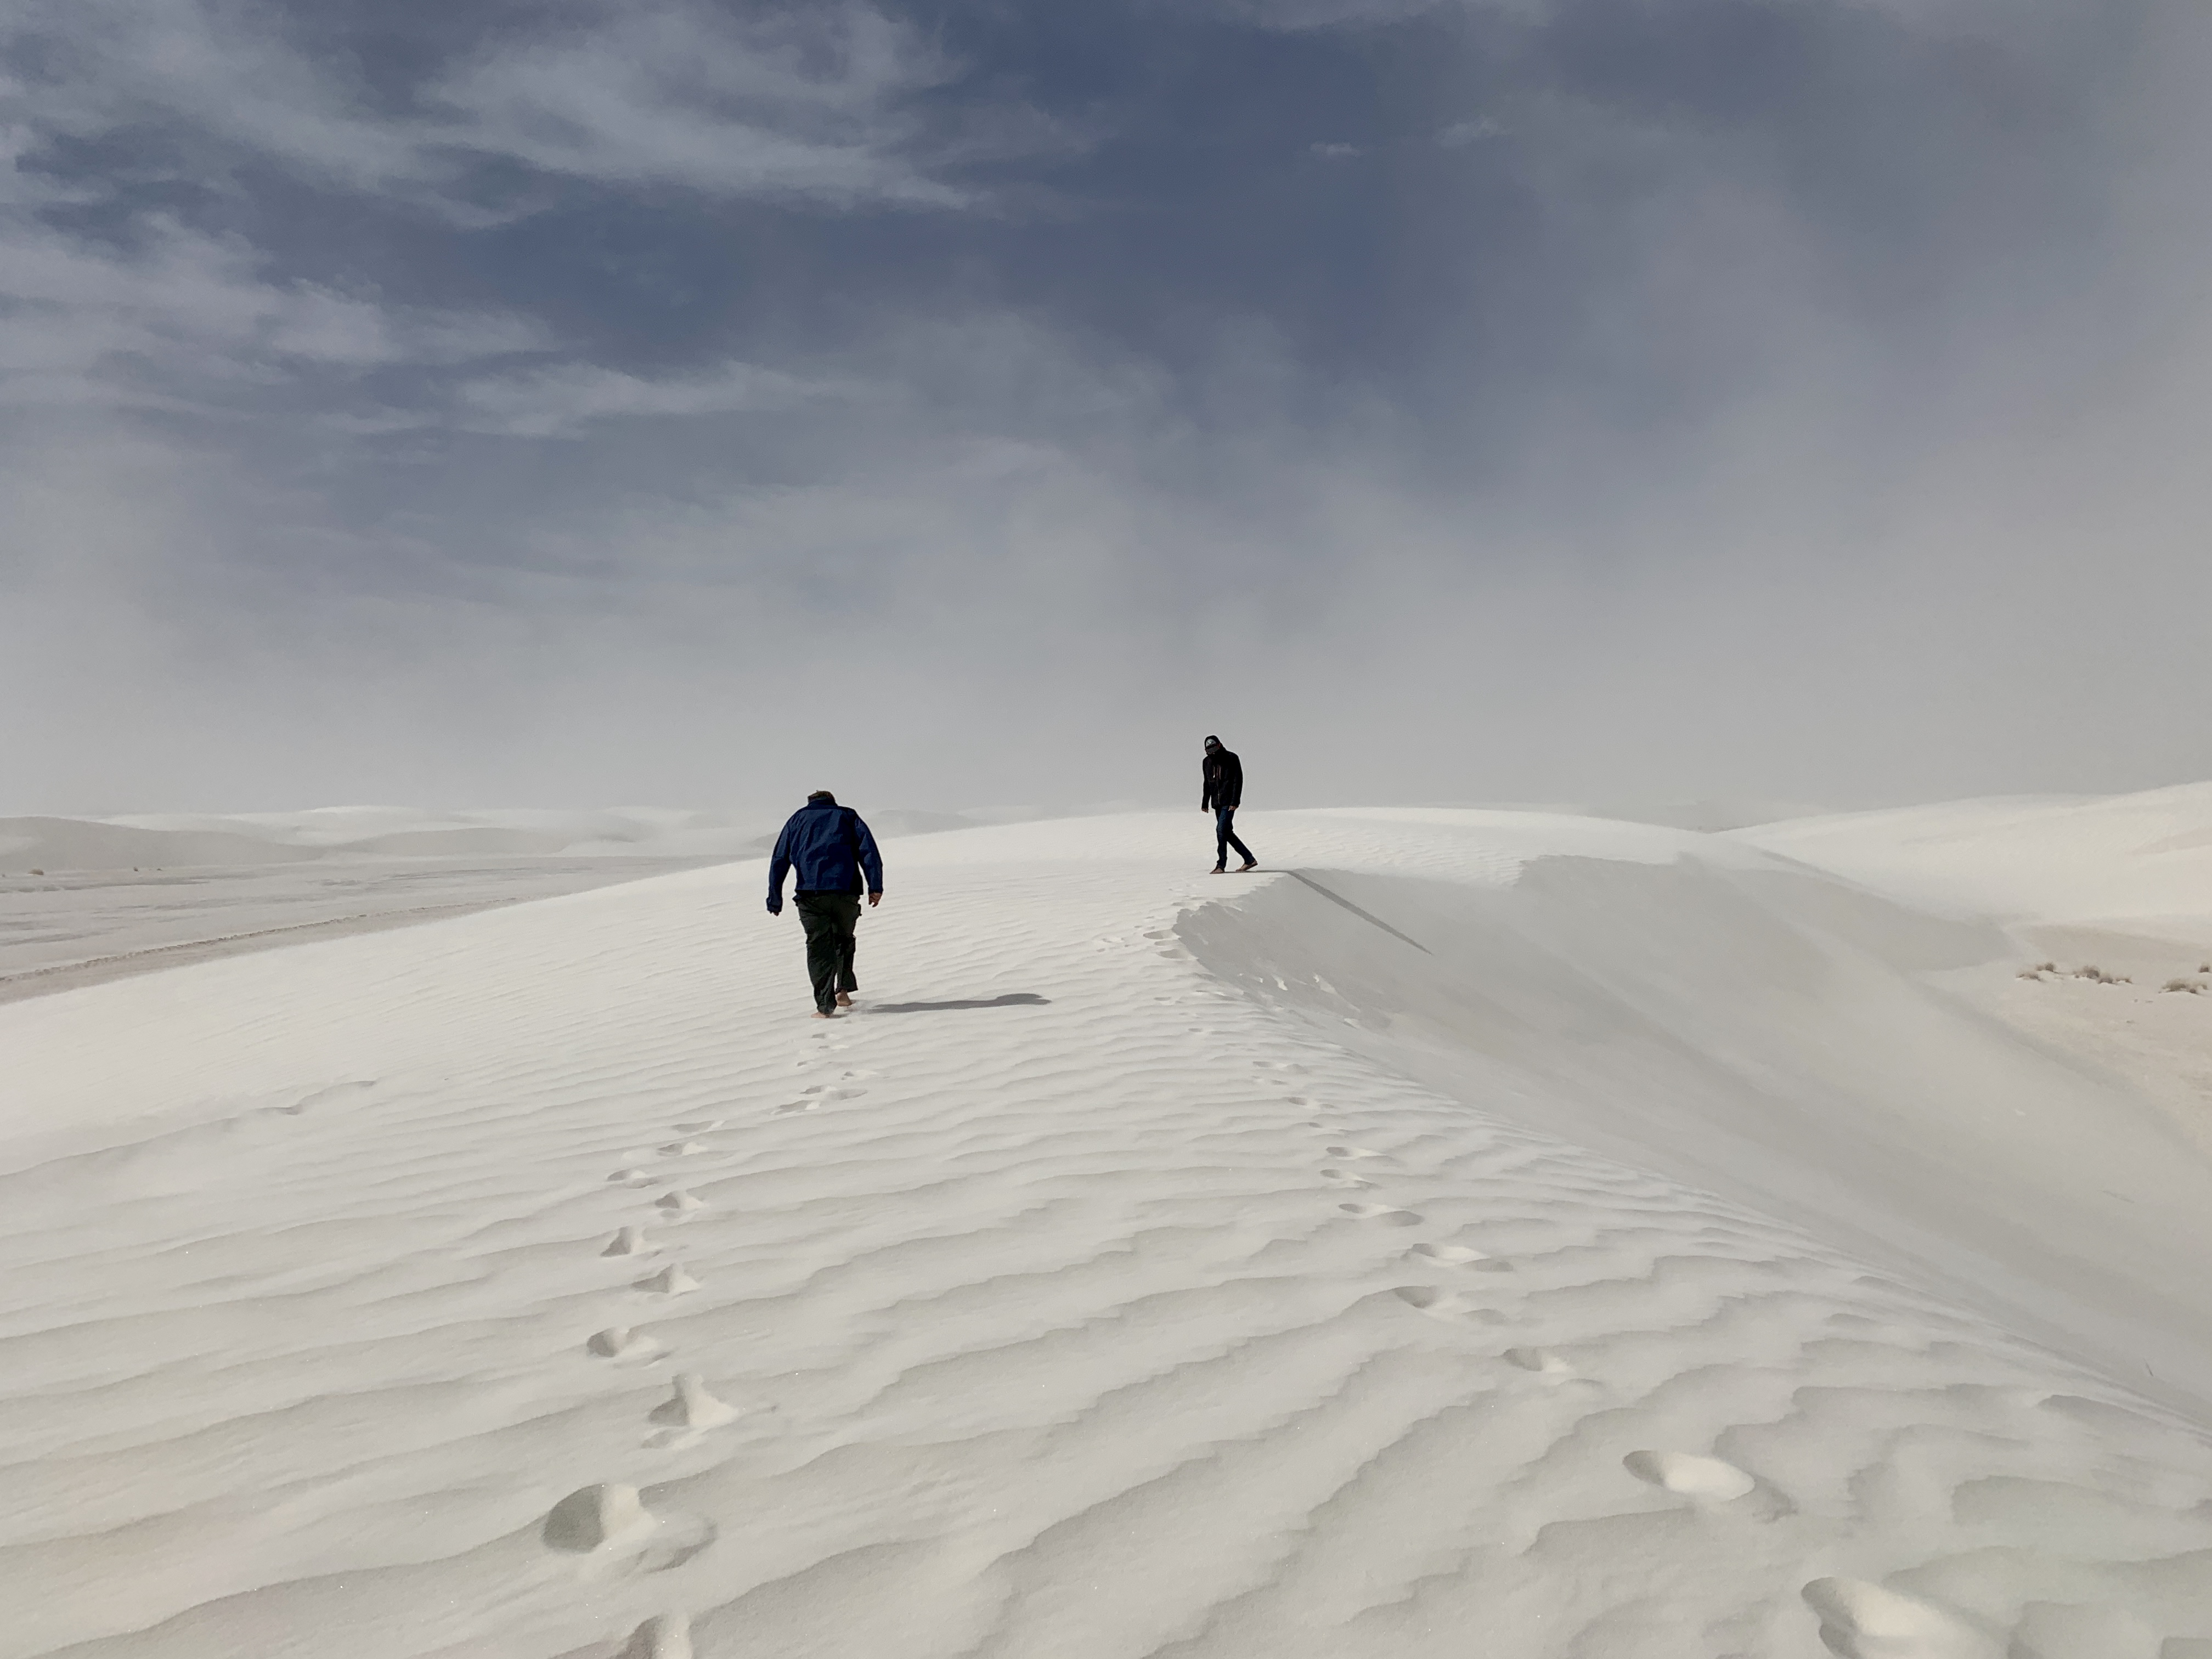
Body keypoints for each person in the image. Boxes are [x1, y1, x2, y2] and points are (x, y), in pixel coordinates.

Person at [766, 791, 884, 1018]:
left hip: (811, 895)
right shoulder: (848, 816)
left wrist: (775, 897)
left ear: (810, 802)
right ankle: (843, 992)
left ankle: (824, 1007)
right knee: (844, 940)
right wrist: (875, 887)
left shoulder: (797, 820)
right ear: (832, 801)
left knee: (819, 948)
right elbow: (869, 852)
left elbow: (780, 859)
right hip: (846, 893)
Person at [1201, 735, 1257, 873]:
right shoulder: (1206, 762)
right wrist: (1205, 801)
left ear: (1220, 745)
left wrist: (1235, 801)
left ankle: (1221, 865)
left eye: (1214, 748)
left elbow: (1238, 780)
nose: (1212, 752)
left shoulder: (1232, 758)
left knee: (1221, 830)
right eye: (1209, 750)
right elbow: (1207, 782)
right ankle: (1249, 859)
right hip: (1217, 803)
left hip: (1229, 802)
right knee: (1227, 832)